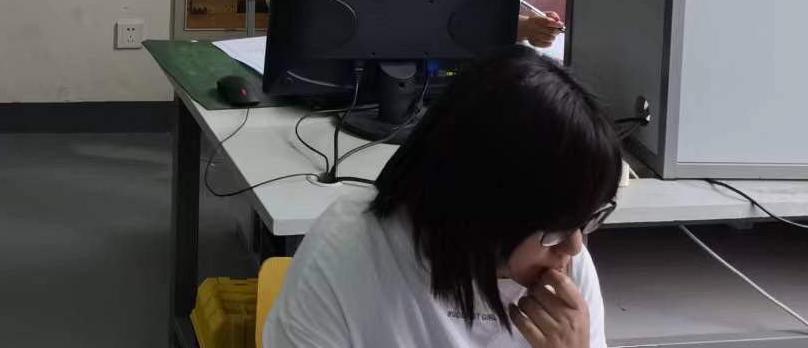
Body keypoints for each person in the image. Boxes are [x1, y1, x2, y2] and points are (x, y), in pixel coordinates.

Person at [264, 47, 622, 348]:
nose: (576, 247)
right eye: (556, 229)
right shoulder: (348, 258)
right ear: (485, 208)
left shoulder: (566, 268)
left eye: (586, 220)